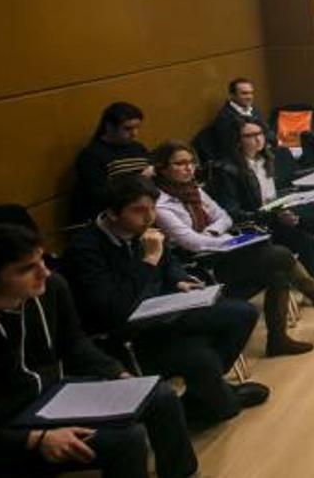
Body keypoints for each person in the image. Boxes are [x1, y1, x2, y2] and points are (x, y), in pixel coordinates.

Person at [63, 175, 269, 427]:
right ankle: (211, 395)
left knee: (242, 313)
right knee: (205, 366)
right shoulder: (85, 249)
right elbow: (113, 309)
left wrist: (179, 280)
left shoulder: (141, 230)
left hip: (164, 310)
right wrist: (148, 261)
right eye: (139, 210)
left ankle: (207, 390)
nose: (149, 217)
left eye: (152, 208)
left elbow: (169, 262)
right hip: (129, 332)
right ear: (111, 213)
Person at [0, 224, 199, 478]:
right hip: (11, 428)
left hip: (53, 397)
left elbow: (75, 344)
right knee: (127, 439)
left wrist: (117, 373)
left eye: (42, 261)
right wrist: (34, 439)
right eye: (27, 269)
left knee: (159, 395)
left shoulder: (52, 288)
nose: (44, 272)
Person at [150, 142, 314, 356]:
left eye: (191, 162)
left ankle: (278, 340)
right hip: (204, 266)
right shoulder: (160, 204)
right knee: (279, 255)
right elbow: (190, 242)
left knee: (277, 273)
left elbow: (223, 217)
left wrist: (213, 233)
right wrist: (226, 241)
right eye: (180, 164)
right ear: (163, 168)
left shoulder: (194, 190)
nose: (188, 168)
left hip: (222, 251)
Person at [208, 117, 314, 294]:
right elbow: (233, 212)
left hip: (276, 211)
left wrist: (289, 205)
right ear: (237, 141)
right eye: (249, 135)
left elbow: (273, 194)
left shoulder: (267, 158)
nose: (258, 139)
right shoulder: (227, 170)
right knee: (307, 239)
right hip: (257, 223)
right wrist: (276, 215)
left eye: (259, 133)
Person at [72, 102, 153, 224]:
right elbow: (98, 195)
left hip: (143, 213)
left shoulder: (138, 148)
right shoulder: (92, 155)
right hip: (113, 219)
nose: (135, 133)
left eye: (137, 128)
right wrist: (139, 179)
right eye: (128, 128)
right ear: (109, 127)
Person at [204, 77, 269, 162]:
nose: (249, 97)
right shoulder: (225, 118)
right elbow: (231, 148)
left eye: (251, 93)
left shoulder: (254, 110)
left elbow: (266, 132)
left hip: (262, 154)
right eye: (244, 93)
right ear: (232, 95)